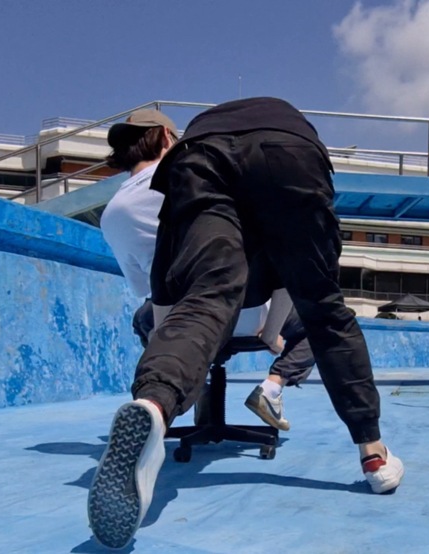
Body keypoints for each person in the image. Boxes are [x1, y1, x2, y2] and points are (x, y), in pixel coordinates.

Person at [88, 97, 404, 549]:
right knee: (323, 309)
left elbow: (163, 293)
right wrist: (272, 333)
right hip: (285, 145)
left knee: (204, 298)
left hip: (199, 154)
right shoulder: (270, 120)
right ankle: (373, 456)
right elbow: (286, 287)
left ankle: (152, 412)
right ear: (163, 136)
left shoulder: (122, 205)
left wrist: (160, 386)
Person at [99, 109, 313, 432]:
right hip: (249, 310)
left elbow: (146, 288)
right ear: (168, 138)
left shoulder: (112, 216)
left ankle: (183, 388)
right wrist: (272, 330)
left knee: (142, 319)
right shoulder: (205, 174)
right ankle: (272, 387)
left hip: (175, 322)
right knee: (322, 318)